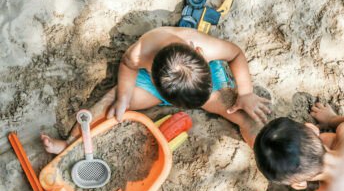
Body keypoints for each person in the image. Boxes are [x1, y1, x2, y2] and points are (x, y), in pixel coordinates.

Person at [41, 27, 270, 153]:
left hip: (200, 79)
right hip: (165, 83)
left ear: (198, 51)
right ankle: (70, 143)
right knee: (110, 103)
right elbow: (128, 66)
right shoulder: (139, 53)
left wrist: (246, 92)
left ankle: (261, 145)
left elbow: (236, 54)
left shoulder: (204, 47)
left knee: (242, 113)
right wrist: (123, 98)